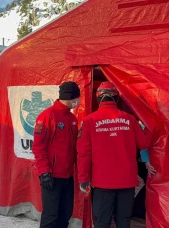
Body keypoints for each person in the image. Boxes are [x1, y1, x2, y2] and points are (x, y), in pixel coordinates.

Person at [77, 81, 153, 228]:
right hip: (127, 181)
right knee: (123, 221)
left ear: (98, 98)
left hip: (102, 182)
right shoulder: (130, 119)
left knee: (102, 222)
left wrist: (83, 178)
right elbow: (144, 144)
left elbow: (83, 153)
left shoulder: (89, 121)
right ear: (116, 98)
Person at [32, 81, 81, 228]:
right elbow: (38, 147)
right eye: (77, 98)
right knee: (50, 217)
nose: (78, 101)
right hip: (52, 177)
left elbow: (74, 148)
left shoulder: (72, 119)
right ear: (71, 97)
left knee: (65, 214)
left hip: (68, 176)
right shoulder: (47, 116)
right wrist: (44, 172)